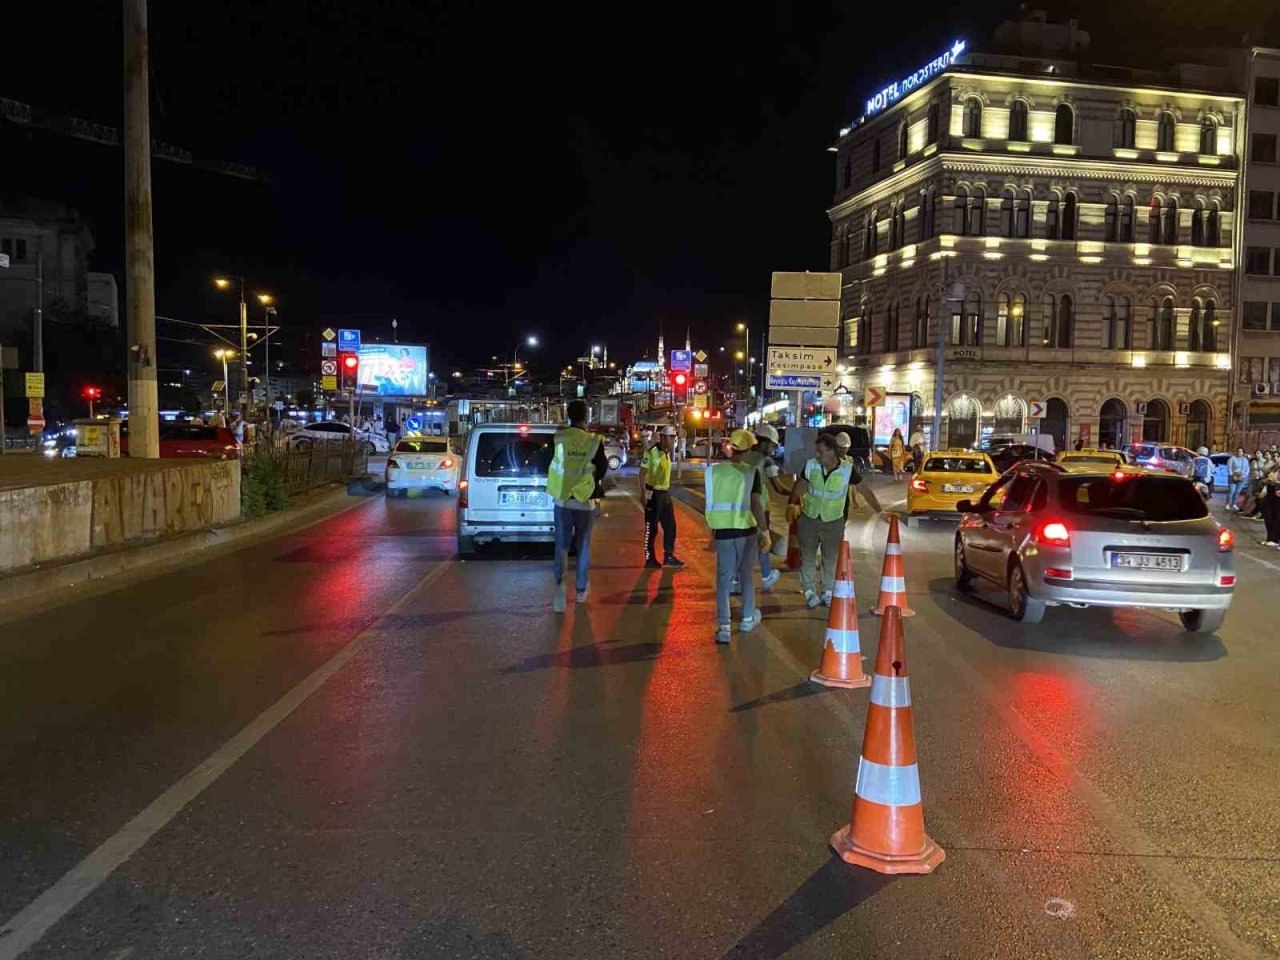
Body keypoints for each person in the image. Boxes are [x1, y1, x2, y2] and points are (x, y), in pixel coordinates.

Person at [789, 433, 884, 608]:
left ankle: (827, 591)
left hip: (833, 521)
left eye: (821, 451)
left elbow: (864, 490)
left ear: (832, 452)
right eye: (816, 451)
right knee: (808, 557)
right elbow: (800, 484)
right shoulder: (811, 465)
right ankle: (809, 591)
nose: (817, 454)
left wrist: (880, 511)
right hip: (809, 518)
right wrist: (791, 503)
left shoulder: (847, 469)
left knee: (830, 559)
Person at [706, 429, 769, 643]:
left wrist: (712, 534)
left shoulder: (713, 472)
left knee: (724, 579)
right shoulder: (751, 472)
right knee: (746, 575)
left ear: (731, 448)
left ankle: (724, 627)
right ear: (749, 450)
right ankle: (748, 618)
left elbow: (713, 502)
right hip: (746, 532)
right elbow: (756, 504)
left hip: (722, 532)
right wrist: (765, 531)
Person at [547, 399, 609, 612]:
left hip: (562, 500)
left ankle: (560, 584)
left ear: (569, 416)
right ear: (586, 417)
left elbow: (549, 463)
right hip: (585, 501)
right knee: (583, 545)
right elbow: (602, 469)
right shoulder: (593, 441)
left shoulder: (559, 437)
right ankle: (581, 589)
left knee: (561, 545)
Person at [742, 423, 787, 591]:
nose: (773, 450)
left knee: (744, 544)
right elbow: (778, 487)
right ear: (764, 443)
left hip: (742, 507)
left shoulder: (744, 457)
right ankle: (767, 575)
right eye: (772, 446)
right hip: (760, 507)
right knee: (764, 541)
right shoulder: (767, 461)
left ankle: (736, 579)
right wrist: (795, 494)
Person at [641, 426, 683, 569]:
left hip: (664, 493)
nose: (673, 440)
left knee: (670, 526)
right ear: (663, 438)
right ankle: (649, 558)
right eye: (671, 437)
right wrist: (642, 494)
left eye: (674, 437)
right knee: (651, 528)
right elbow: (642, 473)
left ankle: (669, 556)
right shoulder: (652, 452)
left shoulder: (667, 452)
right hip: (653, 494)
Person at [1226, 447, 1251, 512]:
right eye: (1238, 451)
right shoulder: (1232, 458)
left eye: (1241, 451)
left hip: (1241, 477)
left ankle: (1234, 504)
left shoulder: (1245, 460)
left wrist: (1244, 476)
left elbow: (1247, 469)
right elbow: (1229, 467)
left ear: (1243, 452)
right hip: (1233, 477)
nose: (1239, 452)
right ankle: (1228, 504)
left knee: (1237, 492)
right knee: (1231, 491)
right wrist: (1232, 475)